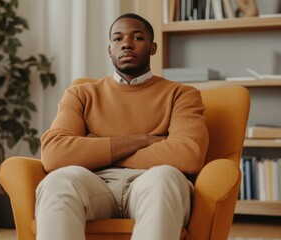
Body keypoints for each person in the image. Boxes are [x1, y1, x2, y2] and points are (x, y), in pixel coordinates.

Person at [36, 13, 209, 240]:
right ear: (110, 50)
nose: (126, 44)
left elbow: (188, 155)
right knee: (58, 182)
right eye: (117, 39)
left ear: (153, 47)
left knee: (166, 178)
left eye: (137, 38)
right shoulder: (80, 94)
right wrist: (143, 140)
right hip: (94, 184)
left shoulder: (181, 94)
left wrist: (93, 148)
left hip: (149, 182)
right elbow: (54, 155)